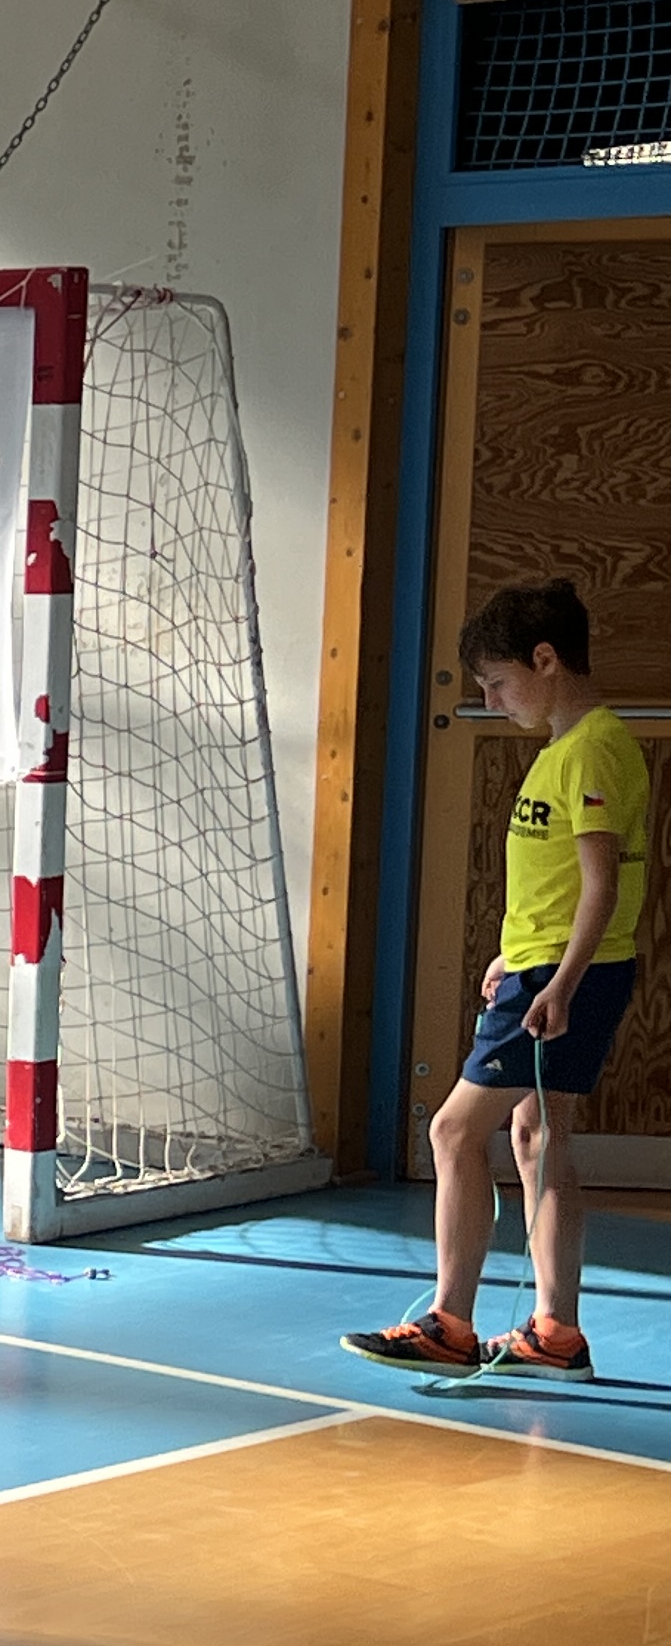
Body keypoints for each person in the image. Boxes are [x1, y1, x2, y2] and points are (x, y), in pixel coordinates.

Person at [344, 579, 651, 1384]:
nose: (489, 700)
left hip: (564, 976)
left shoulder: (591, 750)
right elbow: (558, 884)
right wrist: (517, 956)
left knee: (452, 1132)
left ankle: (450, 1323)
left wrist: (558, 983)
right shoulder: (570, 749)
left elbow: (602, 885)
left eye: (498, 682)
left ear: (546, 660)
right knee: (537, 1136)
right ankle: (556, 1332)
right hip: (546, 966)